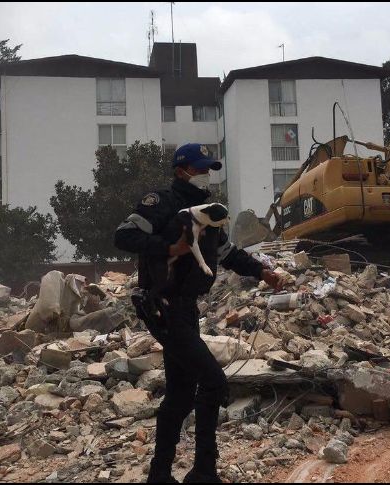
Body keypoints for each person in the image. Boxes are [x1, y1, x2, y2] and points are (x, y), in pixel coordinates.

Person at [114, 143, 284, 483]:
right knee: (214, 381)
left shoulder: (209, 212)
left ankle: (160, 474)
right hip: (162, 307)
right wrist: (168, 248)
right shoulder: (161, 204)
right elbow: (124, 236)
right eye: (200, 168)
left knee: (180, 392)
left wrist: (261, 272)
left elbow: (227, 253)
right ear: (182, 172)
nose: (207, 175)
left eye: (209, 169)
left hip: (186, 308)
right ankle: (204, 471)